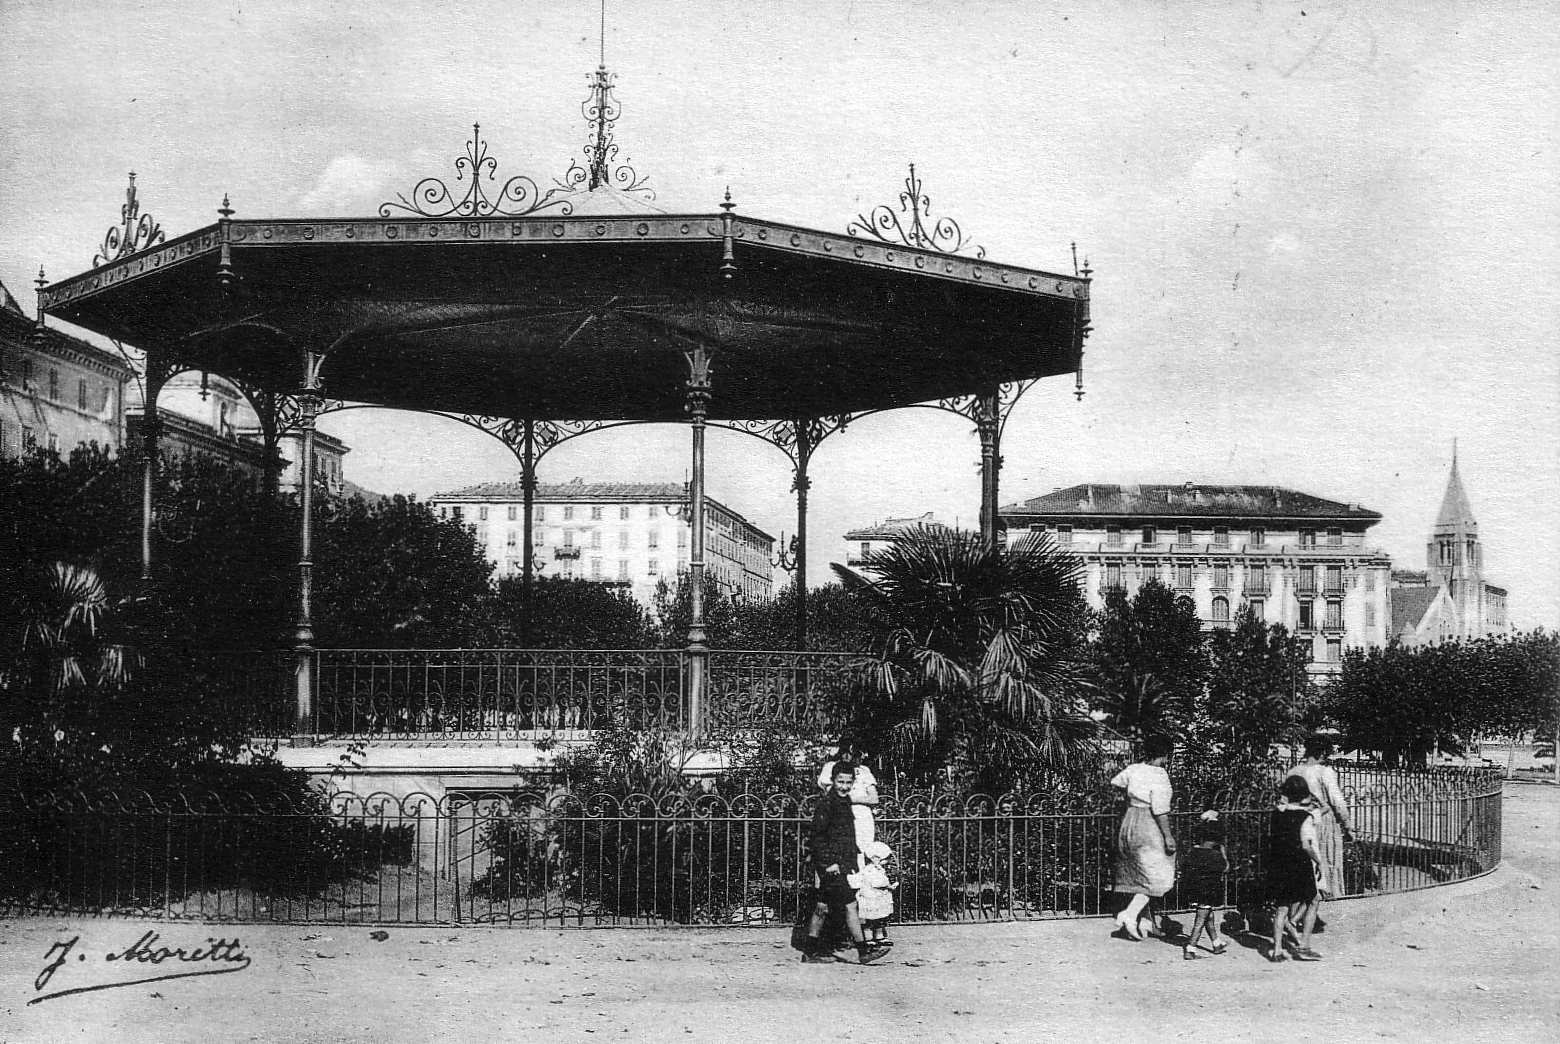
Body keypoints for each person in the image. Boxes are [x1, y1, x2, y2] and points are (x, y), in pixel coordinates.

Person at [800, 762, 889, 965]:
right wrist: (829, 863)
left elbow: (847, 837)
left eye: (848, 782)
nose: (844, 786)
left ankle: (810, 951)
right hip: (831, 866)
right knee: (850, 905)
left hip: (842, 864)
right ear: (832, 781)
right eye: (840, 781)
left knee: (822, 906)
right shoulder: (827, 804)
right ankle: (863, 951)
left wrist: (851, 863)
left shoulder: (845, 801)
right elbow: (818, 837)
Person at [1109, 734, 1177, 941]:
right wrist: (1168, 836)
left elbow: (1115, 783)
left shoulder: (1134, 769)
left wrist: (1131, 798)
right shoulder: (1159, 774)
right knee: (1159, 876)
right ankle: (1129, 915)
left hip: (1130, 822)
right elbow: (1160, 810)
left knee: (1141, 876)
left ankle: (1147, 923)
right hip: (1149, 825)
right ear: (1165, 755)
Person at [1284, 735, 1355, 902]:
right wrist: (1348, 825)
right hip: (1323, 821)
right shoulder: (1325, 772)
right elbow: (1337, 802)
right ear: (1323, 752)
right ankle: (1326, 895)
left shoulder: (1293, 771)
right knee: (1326, 857)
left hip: (1298, 819)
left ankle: (1302, 898)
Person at [1265, 775, 1325, 962]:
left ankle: (1276, 950)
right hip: (1299, 864)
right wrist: (1318, 862)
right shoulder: (1305, 818)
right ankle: (1304, 946)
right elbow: (1306, 846)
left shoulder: (1277, 813)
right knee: (1313, 899)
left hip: (1279, 863)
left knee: (1282, 907)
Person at [1179, 810, 1230, 960]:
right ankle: (1191, 948)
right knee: (1200, 919)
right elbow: (1225, 868)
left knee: (1207, 915)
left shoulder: (1194, 852)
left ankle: (1216, 943)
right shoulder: (1215, 856)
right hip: (1208, 892)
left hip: (1194, 890)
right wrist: (1223, 852)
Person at [817, 744, 880, 853]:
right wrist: (859, 798)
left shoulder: (863, 770)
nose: (848, 756)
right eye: (845, 751)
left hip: (862, 817)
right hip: (839, 813)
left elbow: (874, 798)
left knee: (862, 853)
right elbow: (832, 794)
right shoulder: (831, 767)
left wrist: (849, 799)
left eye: (852, 752)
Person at [856, 840, 898, 948]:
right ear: (875, 858)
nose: (886, 862)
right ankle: (868, 938)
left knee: (880, 919)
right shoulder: (870, 870)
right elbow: (877, 882)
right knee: (869, 919)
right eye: (884, 859)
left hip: (877, 898)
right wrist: (889, 886)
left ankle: (879, 936)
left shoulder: (878, 869)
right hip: (871, 898)